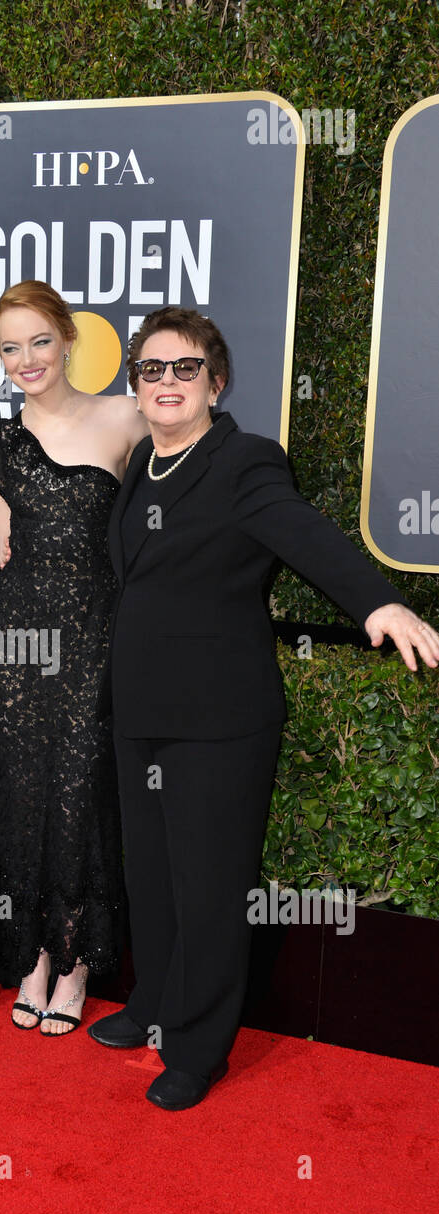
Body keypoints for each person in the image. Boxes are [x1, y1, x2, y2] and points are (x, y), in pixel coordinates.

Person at [90, 305, 439, 1106]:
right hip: (139, 707)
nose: (167, 381)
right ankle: (151, 1007)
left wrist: (376, 605)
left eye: (185, 368)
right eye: (152, 368)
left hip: (219, 716)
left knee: (209, 886)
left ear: (215, 382)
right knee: (150, 878)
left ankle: (197, 1048)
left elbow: (302, 533)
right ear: (136, 386)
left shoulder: (245, 462)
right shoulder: (142, 462)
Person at [0, 280, 149, 1035]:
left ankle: (76, 961)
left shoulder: (126, 415)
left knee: (80, 791)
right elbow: (1, 541)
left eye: (37, 341)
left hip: (94, 635)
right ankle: (32, 955)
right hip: (16, 636)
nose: (25, 359)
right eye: (9, 348)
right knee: (22, 791)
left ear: (68, 339)